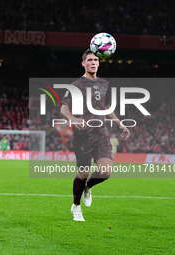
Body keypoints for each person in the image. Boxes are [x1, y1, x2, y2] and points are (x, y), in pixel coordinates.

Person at [60, 49, 130, 221]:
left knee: (105, 172)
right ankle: (76, 206)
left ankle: (88, 187)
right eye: (89, 60)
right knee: (83, 173)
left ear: (99, 63)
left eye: (95, 60)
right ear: (83, 63)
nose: (93, 62)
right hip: (83, 135)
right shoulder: (76, 85)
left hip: (101, 134)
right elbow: (63, 108)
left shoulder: (104, 84)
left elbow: (106, 108)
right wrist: (73, 119)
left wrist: (120, 124)